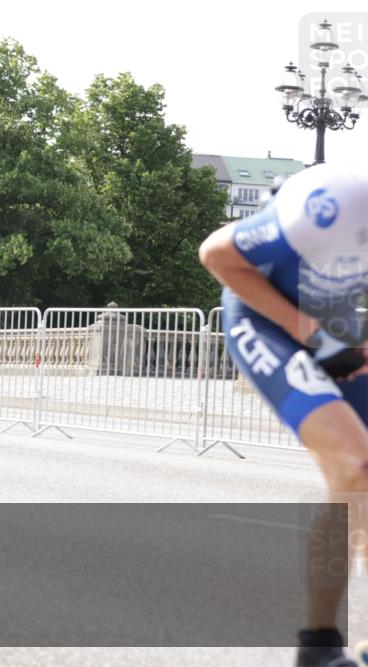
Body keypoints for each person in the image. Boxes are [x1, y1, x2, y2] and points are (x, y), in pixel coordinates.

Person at [199, 164, 368, 667]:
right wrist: (313, 336)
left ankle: (322, 650)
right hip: (266, 317)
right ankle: (318, 643)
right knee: (355, 465)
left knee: (358, 483)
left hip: (341, 324)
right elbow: (215, 254)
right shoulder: (332, 203)